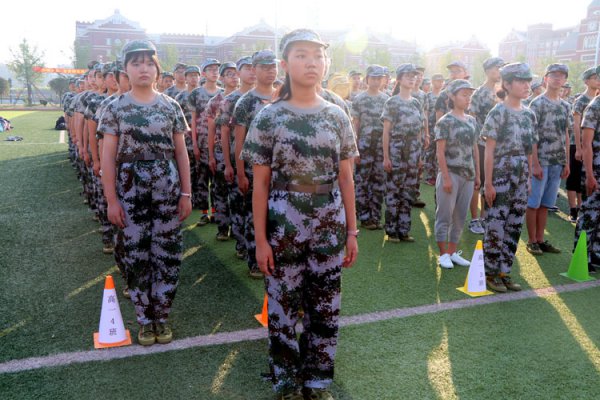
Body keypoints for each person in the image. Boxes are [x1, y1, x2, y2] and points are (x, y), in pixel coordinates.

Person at [241, 28, 358, 400]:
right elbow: (260, 184)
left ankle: (317, 380)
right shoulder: (269, 117)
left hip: (329, 221)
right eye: (302, 55)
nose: (312, 62)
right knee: (282, 305)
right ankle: (287, 382)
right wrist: (261, 241)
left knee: (325, 305)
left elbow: (346, 178)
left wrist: (352, 232)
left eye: (318, 55)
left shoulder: (337, 115)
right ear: (285, 63)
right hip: (283, 221)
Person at [99, 40, 192, 346]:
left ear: (157, 69)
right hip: (130, 193)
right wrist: (111, 201)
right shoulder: (115, 108)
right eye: (136, 63)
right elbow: (107, 159)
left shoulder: (171, 106)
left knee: (167, 254)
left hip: (167, 192)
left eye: (149, 63)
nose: (143, 69)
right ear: (125, 70)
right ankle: (144, 319)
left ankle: (161, 317)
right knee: (136, 255)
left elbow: (181, 153)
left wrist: (186, 194)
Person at [481, 63, 537, 293]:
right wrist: (488, 183)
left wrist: (529, 178)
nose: (526, 85)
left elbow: (529, 150)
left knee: (514, 224)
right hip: (501, 174)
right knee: (496, 225)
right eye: (521, 81)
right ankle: (490, 273)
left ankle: (505, 271)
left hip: (521, 176)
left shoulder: (529, 114)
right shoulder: (498, 112)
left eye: (528, 81)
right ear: (507, 84)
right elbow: (489, 151)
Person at [233, 49, 278, 278]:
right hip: (254, 170)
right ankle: (254, 260)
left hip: (279, 171)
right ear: (254, 69)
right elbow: (239, 141)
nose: (270, 71)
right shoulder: (246, 102)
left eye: (273, 66)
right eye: (264, 67)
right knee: (254, 216)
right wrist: (241, 173)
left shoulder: (283, 96)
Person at [525, 64, 572, 256]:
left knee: (546, 204)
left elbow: (566, 134)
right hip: (541, 161)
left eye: (561, 76)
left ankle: (540, 239)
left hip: (557, 161)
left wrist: (566, 161)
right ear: (546, 79)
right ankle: (531, 241)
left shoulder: (566, 106)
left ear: (565, 80)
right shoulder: (537, 104)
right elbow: (531, 136)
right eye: (553, 75)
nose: (557, 78)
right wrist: (534, 163)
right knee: (533, 203)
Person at [434, 79, 480, 269]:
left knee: (460, 216)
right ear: (452, 96)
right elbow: (440, 152)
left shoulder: (472, 120)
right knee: (444, 215)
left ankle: (452, 252)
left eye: (469, 95)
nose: (468, 98)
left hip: (468, 175)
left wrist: (477, 175)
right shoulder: (445, 121)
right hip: (451, 173)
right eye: (464, 94)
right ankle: (442, 254)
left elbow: (475, 149)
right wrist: (445, 178)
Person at [382, 63, 426, 243]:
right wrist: (386, 157)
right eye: (408, 76)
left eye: (414, 76)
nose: (412, 79)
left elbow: (419, 131)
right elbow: (386, 131)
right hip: (396, 150)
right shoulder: (392, 102)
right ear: (399, 79)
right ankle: (392, 231)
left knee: (408, 191)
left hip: (413, 152)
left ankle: (404, 230)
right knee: (394, 190)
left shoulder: (416, 103)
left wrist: (419, 155)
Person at [218, 56, 256, 259]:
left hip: (260, 161)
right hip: (239, 159)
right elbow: (224, 133)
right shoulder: (231, 100)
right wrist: (227, 164)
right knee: (238, 203)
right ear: (239, 73)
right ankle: (242, 243)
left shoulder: (268, 97)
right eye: (246, 68)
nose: (251, 72)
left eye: (253, 68)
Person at [467, 57, 504, 235]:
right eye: (497, 68)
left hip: (499, 146)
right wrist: (473, 144)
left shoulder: (503, 92)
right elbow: (472, 119)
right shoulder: (479, 93)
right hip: (481, 144)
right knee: (478, 182)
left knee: (491, 181)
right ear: (488, 70)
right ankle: (474, 219)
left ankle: (484, 217)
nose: (500, 71)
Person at [351, 65, 389, 230]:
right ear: (367, 79)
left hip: (380, 146)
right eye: (373, 78)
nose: (376, 81)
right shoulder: (359, 99)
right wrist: (355, 148)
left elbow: (388, 126)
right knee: (362, 181)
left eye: (379, 78)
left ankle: (375, 216)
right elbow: (355, 124)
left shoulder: (387, 99)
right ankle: (364, 217)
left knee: (379, 181)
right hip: (364, 146)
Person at [207, 62, 239, 241]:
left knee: (237, 193)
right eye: (229, 74)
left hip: (238, 152)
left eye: (235, 73)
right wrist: (211, 155)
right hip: (220, 151)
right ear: (222, 78)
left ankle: (236, 228)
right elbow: (211, 130)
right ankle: (222, 227)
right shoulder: (215, 102)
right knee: (220, 191)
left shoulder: (244, 98)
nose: (233, 77)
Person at [189, 58, 223, 224]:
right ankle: (204, 213)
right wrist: (194, 144)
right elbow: (193, 120)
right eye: (210, 69)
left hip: (218, 143)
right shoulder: (196, 94)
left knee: (217, 181)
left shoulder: (223, 93)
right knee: (202, 180)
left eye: (216, 69)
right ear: (204, 73)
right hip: (202, 142)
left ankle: (215, 212)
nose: (214, 72)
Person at [574, 65, 600, 274]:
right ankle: (581, 255)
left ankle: (596, 253)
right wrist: (590, 175)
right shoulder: (594, 106)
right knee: (589, 214)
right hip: (596, 169)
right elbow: (587, 144)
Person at [568, 67, 599, 222]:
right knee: (575, 179)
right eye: (595, 77)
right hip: (580, 146)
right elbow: (576, 124)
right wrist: (579, 148)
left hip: (590, 149)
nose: (597, 80)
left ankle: (580, 206)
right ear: (587, 81)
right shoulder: (583, 101)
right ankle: (574, 209)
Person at [423, 73, 445, 184]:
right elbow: (425, 113)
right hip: (431, 127)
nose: (440, 83)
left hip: (442, 128)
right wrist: (426, 130)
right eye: (437, 81)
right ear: (432, 82)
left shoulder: (444, 96)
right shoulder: (428, 96)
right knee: (430, 152)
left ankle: (437, 175)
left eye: (441, 81)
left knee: (439, 151)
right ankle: (429, 176)